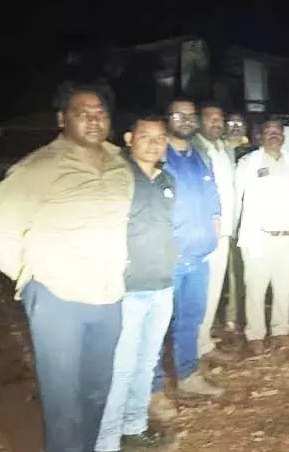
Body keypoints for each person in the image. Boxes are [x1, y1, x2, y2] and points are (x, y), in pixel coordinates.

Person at [0, 81, 132, 452]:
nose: (94, 121)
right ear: (62, 119)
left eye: (100, 113)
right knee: (63, 399)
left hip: (109, 295)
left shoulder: (120, 164)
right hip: (58, 298)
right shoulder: (37, 167)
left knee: (97, 392)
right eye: (83, 114)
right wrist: (33, 279)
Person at [95, 115, 178, 452]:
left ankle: (134, 428)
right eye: (145, 136)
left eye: (160, 137)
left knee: (146, 363)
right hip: (127, 290)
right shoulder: (118, 176)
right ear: (129, 138)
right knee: (121, 368)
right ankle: (106, 442)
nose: (153, 143)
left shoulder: (166, 179)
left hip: (162, 286)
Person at [151, 98, 223, 421]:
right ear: (167, 118)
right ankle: (152, 389)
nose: (186, 121)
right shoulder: (157, 154)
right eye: (179, 116)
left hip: (198, 257)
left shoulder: (199, 156)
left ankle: (188, 374)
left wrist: (215, 222)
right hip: (167, 259)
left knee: (190, 319)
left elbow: (212, 195)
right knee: (155, 326)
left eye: (191, 116)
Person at [234, 118, 289, 355]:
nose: (274, 135)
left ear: (284, 137)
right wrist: (234, 231)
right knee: (256, 288)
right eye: (268, 131)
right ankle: (255, 335)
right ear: (260, 136)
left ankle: (280, 331)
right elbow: (237, 198)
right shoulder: (248, 163)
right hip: (259, 236)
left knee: (285, 287)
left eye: (278, 132)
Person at [193, 102, 239, 364]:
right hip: (203, 234)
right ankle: (191, 350)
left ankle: (204, 343)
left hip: (224, 233)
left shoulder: (223, 148)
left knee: (213, 291)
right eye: (210, 118)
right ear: (199, 121)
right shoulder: (193, 148)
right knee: (198, 293)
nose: (216, 123)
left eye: (219, 119)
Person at [223, 111, 252, 332]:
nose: (235, 127)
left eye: (239, 123)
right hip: (219, 221)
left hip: (244, 221)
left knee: (239, 272)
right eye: (231, 123)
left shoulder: (252, 152)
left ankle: (235, 316)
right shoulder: (215, 149)